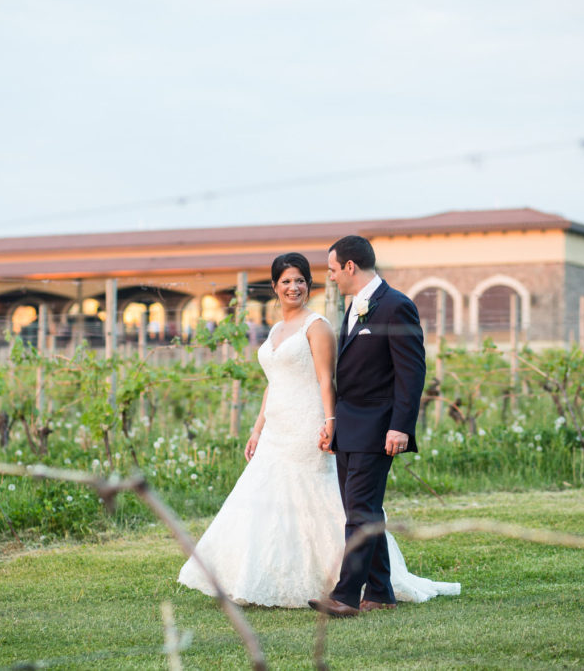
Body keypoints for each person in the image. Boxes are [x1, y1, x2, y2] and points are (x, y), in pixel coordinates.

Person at [178, 251, 459, 608]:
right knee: (296, 501)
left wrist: (330, 422)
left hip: (311, 422)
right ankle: (371, 589)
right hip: (278, 425)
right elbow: (274, 381)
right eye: (286, 281)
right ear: (275, 287)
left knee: (340, 503)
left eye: (301, 280)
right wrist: (257, 427)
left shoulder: (319, 324)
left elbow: (327, 380)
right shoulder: (277, 329)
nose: (294, 287)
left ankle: (350, 590)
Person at [307, 235, 448, 617]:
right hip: (349, 427)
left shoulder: (396, 306)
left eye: (334, 269)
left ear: (350, 266)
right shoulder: (353, 306)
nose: (331, 277)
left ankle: (346, 595)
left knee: (360, 512)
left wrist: (401, 426)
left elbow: (411, 371)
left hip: (378, 427)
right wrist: (333, 421)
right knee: (363, 509)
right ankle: (381, 591)